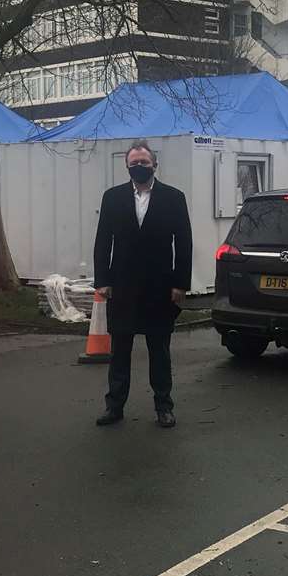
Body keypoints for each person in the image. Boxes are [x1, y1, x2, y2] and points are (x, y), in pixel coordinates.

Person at [93, 140, 193, 428]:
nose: (139, 167)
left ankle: (164, 406)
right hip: (122, 285)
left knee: (159, 350)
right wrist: (102, 280)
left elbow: (184, 243)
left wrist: (180, 284)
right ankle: (114, 406)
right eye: (134, 163)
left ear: (154, 165)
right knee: (119, 351)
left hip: (159, 287)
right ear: (127, 166)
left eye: (144, 163)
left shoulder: (174, 198)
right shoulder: (112, 198)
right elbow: (103, 241)